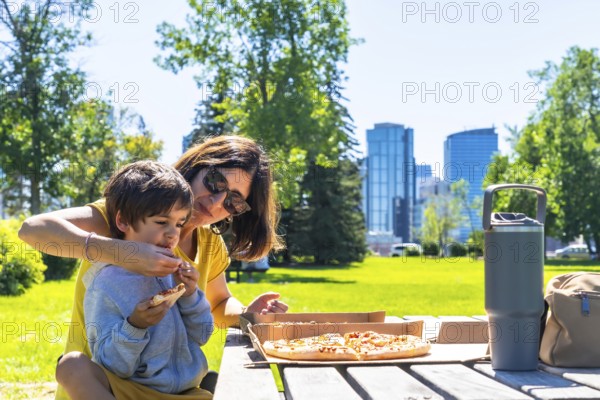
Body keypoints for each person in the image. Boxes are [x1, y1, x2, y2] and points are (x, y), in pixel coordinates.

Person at [18, 135, 288, 400]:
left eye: (234, 201)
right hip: (104, 384)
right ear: (196, 166)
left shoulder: (209, 243)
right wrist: (127, 252)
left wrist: (246, 313)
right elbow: (33, 230)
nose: (217, 201)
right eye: (216, 181)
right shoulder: (130, 213)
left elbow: (218, 303)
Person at [67, 160, 214, 399]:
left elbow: (203, 335)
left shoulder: (173, 273)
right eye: (161, 222)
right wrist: (135, 326)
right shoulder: (106, 282)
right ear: (123, 221)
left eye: (179, 224)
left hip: (187, 392)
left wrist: (190, 295)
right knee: (70, 365)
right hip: (132, 391)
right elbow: (111, 365)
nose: (172, 234)